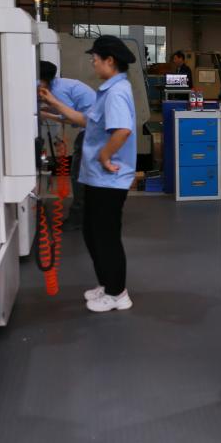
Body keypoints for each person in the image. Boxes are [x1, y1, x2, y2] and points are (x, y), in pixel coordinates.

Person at [39, 36, 137, 313]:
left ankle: (118, 293)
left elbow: (122, 131)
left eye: (95, 59)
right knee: (93, 233)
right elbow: (85, 120)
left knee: (105, 236)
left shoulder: (117, 93)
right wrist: (53, 103)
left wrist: (104, 155)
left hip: (109, 178)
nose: (93, 63)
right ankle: (107, 284)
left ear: (110, 61)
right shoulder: (108, 90)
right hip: (97, 176)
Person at [38, 60, 96, 230]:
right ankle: (87, 216)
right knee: (85, 176)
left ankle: (77, 219)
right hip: (94, 130)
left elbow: (71, 118)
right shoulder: (60, 85)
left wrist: (45, 115)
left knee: (78, 176)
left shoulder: (57, 91)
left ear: (45, 80)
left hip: (92, 132)